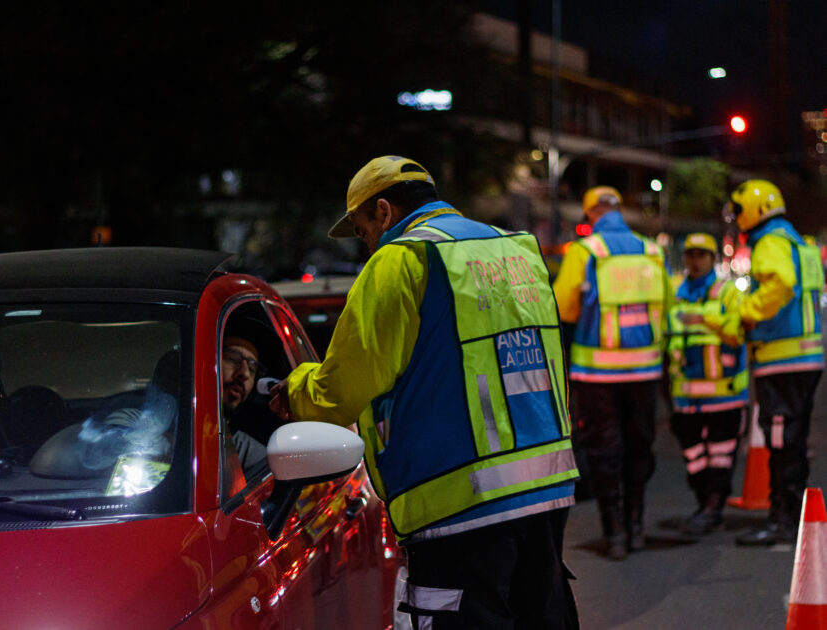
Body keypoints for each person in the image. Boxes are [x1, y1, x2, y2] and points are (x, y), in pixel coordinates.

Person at [269, 155, 580, 629]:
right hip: (545, 488)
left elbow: (340, 390)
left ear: (384, 213)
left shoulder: (401, 260)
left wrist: (290, 392)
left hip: (461, 504)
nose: (365, 244)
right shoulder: (513, 248)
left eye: (361, 229)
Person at [552, 185, 672, 560]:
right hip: (645, 370)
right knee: (639, 445)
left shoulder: (586, 251)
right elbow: (667, 304)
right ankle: (637, 526)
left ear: (591, 215)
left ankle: (615, 532)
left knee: (605, 450)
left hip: (597, 373)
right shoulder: (653, 251)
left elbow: (563, 306)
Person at [724, 179, 824, 546]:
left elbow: (779, 284)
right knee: (791, 441)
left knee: (782, 442)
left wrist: (747, 313)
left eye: (738, 210)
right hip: (804, 358)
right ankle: (790, 516)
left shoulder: (770, 242)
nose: (736, 218)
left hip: (782, 360)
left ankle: (783, 520)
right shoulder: (798, 241)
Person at [666, 233, 748, 535]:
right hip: (686, 395)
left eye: (701, 255)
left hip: (724, 394)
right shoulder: (677, 293)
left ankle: (713, 508)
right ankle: (704, 506)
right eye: (690, 255)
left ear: (713, 259)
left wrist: (700, 319)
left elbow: (736, 331)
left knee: (720, 456)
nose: (695, 261)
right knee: (694, 457)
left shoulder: (726, 291)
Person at [221, 335, 267, 477]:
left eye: (253, 368)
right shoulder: (159, 430)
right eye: (232, 359)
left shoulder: (256, 459)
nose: (245, 373)